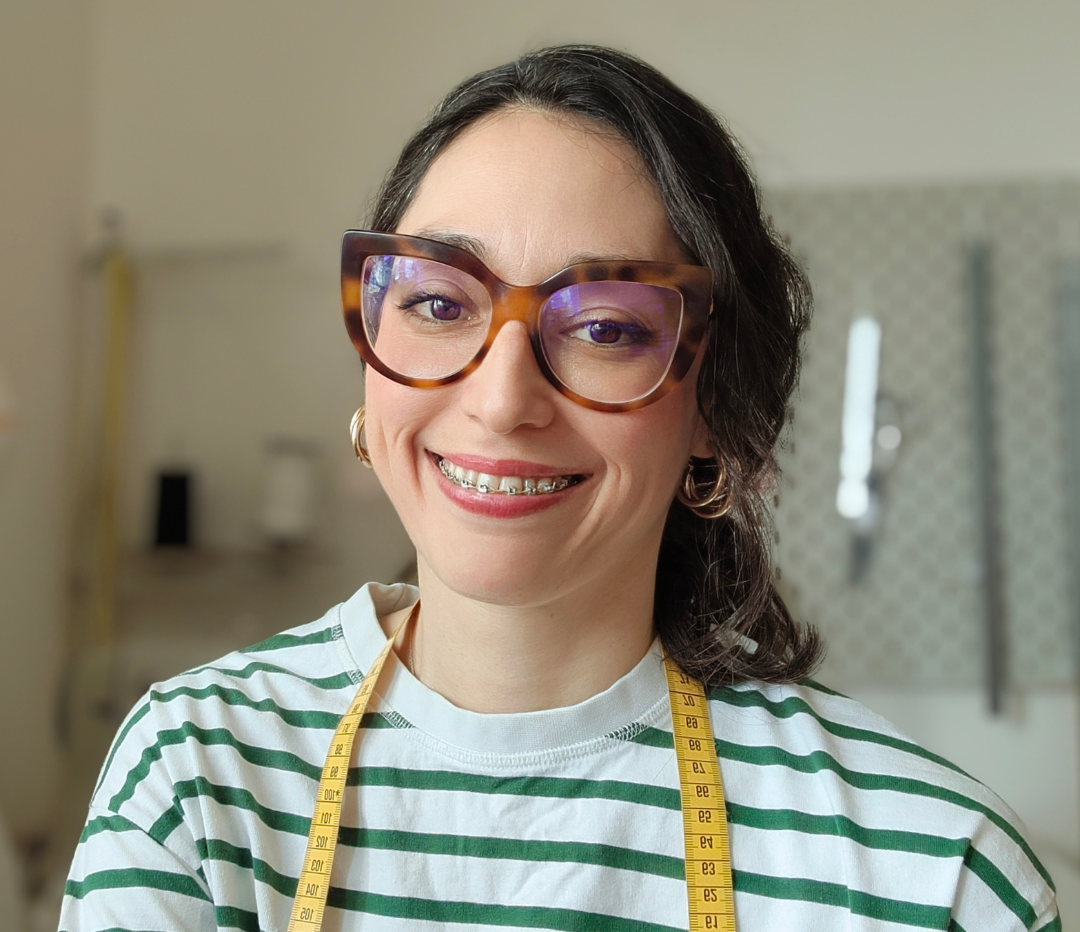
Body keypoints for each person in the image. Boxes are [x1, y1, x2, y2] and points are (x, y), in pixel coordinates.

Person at [61, 46, 1058, 931]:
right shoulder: (197, 779)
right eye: (439, 302)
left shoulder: (933, 873)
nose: (502, 401)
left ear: (714, 406)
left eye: (606, 327)